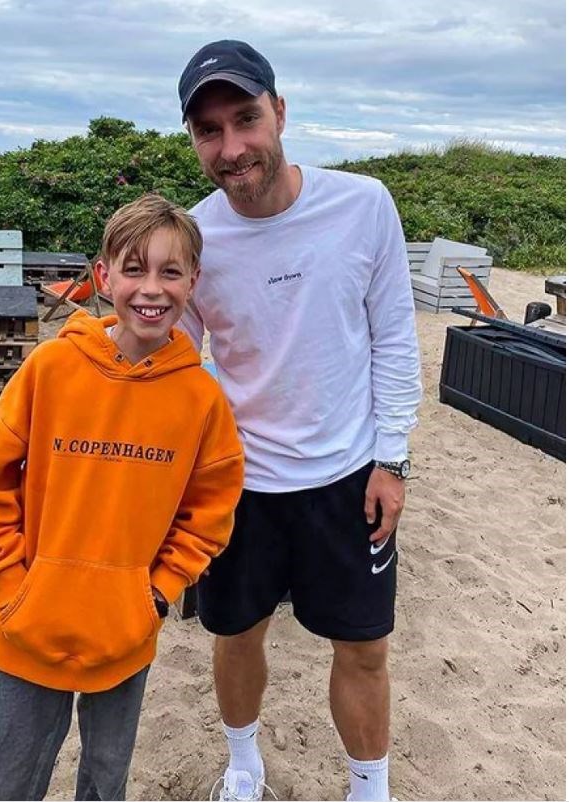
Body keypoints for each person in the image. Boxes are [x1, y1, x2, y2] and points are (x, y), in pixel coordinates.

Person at [177, 40, 422, 802]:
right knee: (234, 634)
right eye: (208, 131)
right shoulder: (195, 237)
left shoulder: (362, 205)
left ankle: (368, 788)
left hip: (347, 476)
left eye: (245, 119)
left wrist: (391, 459)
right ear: (193, 140)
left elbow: (393, 336)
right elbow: (172, 366)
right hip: (237, 485)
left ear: (279, 112)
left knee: (363, 647)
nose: (231, 147)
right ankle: (243, 764)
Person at [0, 193, 244, 801]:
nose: (152, 289)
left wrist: (157, 592)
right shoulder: (50, 368)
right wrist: (10, 581)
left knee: (103, 784)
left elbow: (211, 509)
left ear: (193, 282)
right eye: (134, 269)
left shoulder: (201, 400)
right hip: (24, 631)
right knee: (2, 785)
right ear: (103, 276)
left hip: (125, 635)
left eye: (171, 272)